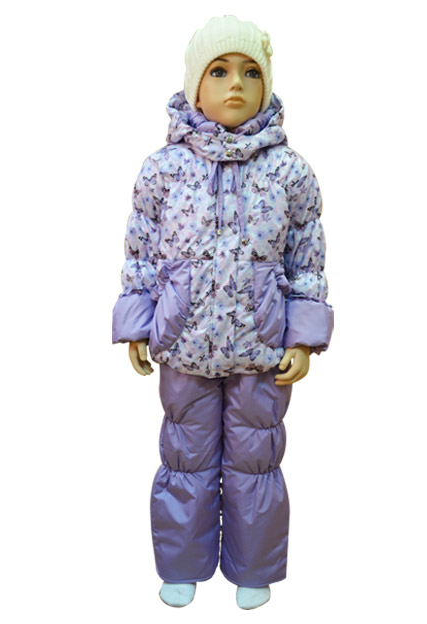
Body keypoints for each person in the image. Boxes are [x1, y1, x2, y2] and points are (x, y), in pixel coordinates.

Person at [112, 15, 334, 610]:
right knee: (185, 459)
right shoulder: (163, 169)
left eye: (250, 72)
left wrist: (304, 337)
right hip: (184, 341)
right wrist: (137, 323)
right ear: (195, 85)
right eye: (219, 71)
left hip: (263, 348)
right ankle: (181, 564)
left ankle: (253, 567)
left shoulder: (290, 172)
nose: (236, 83)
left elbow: (306, 259)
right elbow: (141, 252)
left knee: (254, 463)